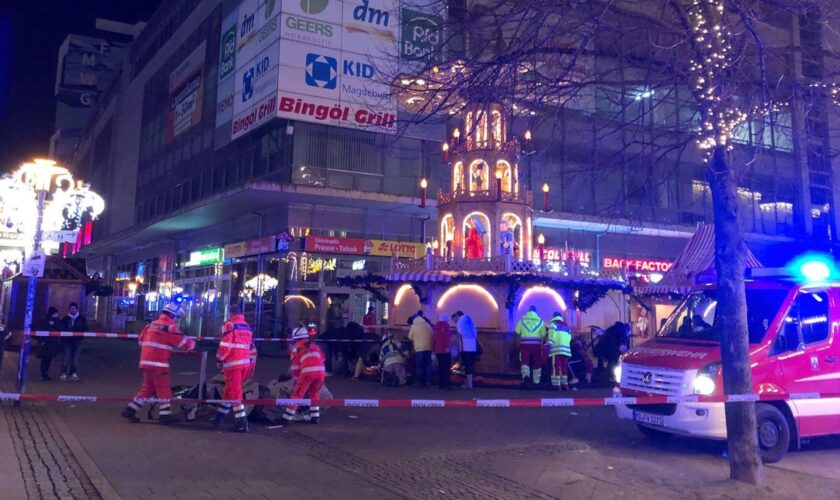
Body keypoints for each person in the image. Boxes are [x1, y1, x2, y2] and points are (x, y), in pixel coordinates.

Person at [121, 303, 196, 424]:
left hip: (145, 362)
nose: (176, 319)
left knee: (147, 388)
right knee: (164, 389)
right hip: (159, 364)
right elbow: (185, 344)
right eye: (176, 316)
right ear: (172, 315)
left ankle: (130, 409)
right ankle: (165, 416)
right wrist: (192, 344)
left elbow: (141, 341)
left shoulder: (151, 325)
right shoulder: (170, 327)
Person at [214, 304, 256, 433]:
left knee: (235, 393)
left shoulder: (229, 325)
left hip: (233, 364)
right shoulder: (246, 326)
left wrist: (219, 358)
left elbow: (226, 345)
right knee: (230, 390)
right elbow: (249, 346)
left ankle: (242, 422)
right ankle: (219, 417)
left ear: (230, 313)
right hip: (245, 363)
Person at [283, 323, 326, 424]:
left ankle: (287, 418)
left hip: (307, 373)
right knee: (314, 393)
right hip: (321, 372)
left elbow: (295, 367)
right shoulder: (315, 346)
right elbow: (322, 359)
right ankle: (315, 417)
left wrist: (296, 380)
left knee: (297, 394)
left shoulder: (297, 348)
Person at [514, 305, 546, 387]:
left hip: (525, 344)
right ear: (535, 312)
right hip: (537, 344)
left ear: (528, 311)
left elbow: (517, 331)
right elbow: (543, 334)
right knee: (537, 361)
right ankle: (536, 381)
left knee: (525, 361)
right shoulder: (540, 321)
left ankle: (526, 378)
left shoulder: (522, 320)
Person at [61, 302, 88, 381]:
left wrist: (76, 329)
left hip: (77, 341)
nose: (72, 310)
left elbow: (85, 327)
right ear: (69, 309)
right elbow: (63, 328)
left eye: (74, 308)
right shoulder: (65, 319)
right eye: (71, 308)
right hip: (67, 341)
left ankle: (73, 373)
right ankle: (63, 373)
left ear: (77, 309)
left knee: (75, 358)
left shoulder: (82, 319)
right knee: (65, 357)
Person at [546, 312, 572, 391]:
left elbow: (551, 338)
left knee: (555, 367)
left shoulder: (552, 324)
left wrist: (546, 345)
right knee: (564, 367)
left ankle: (556, 386)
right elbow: (570, 338)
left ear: (553, 316)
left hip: (556, 350)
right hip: (566, 350)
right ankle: (565, 385)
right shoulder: (567, 326)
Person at [453, 311, 477, 389]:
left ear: (457, 315)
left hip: (465, 347)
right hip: (473, 347)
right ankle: (470, 383)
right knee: (470, 365)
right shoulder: (470, 319)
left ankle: (469, 384)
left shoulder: (460, 322)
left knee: (467, 366)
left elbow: (460, 333)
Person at [37, 307, 62, 381]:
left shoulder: (57, 321)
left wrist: (54, 324)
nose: (57, 315)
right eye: (56, 313)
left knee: (48, 359)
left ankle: (45, 373)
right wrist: (42, 341)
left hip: (52, 343)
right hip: (46, 343)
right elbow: (41, 330)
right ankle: (44, 373)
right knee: (45, 358)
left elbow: (61, 328)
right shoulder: (45, 321)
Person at [408, 313, 433, 387]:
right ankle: (428, 381)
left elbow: (410, 337)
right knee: (428, 365)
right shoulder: (427, 325)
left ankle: (419, 381)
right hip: (428, 348)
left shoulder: (414, 326)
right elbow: (432, 333)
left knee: (419, 365)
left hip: (419, 349)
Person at [432, 315, 453, 389]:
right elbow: (446, 338)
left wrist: (433, 350)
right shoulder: (446, 326)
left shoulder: (436, 327)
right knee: (446, 368)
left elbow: (433, 339)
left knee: (440, 367)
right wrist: (447, 347)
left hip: (438, 350)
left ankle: (440, 384)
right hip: (445, 350)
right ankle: (446, 384)